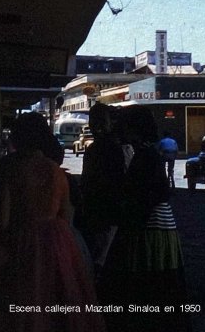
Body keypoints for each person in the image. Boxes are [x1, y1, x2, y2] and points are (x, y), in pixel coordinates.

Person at [0, 113, 104, 332]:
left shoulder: (12, 171)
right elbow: (65, 217)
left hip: (21, 245)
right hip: (58, 245)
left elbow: (2, 219)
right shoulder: (57, 173)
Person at [99, 105, 190, 332]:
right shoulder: (150, 153)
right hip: (161, 228)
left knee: (147, 287)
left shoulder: (145, 156)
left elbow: (143, 198)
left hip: (149, 230)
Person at [77, 103, 125, 278]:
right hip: (102, 211)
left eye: (98, 121)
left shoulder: (107, 148)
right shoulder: (111, 147)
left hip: (103, 212)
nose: (94, 125)